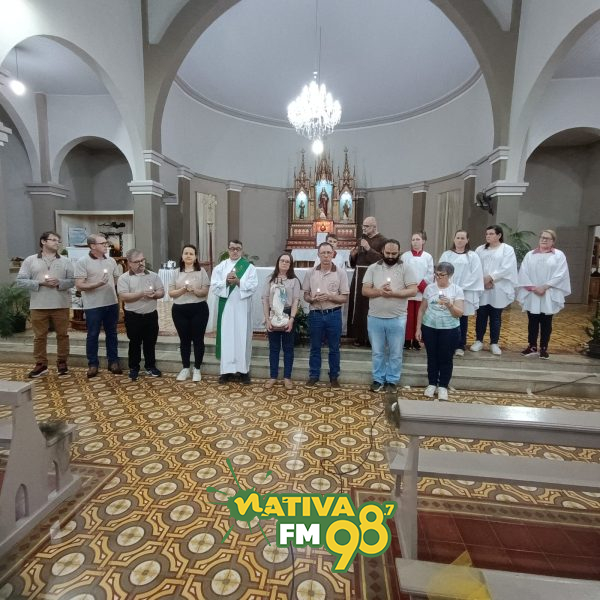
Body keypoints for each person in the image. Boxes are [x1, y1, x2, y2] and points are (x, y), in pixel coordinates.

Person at [362, 239, 418, 393]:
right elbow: (365, 290)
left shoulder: (406, 268)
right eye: (388, 253)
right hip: (375, 317)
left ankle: (392, 380)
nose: (391, 256)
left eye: (394, 253)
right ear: (382, 251)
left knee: (396, 352)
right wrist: (380, 291)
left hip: (397, 317)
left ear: (399, 252)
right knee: (377, 352)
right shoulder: (373, 268)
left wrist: (395, 293)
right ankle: (378, 379)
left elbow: (413, 290)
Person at [16, 231, 75, 378]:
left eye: (58, 241)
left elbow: (73, 281)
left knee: (63, 335)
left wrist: (59, 282)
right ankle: (41, 364)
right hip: (38, 305)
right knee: (39, 336)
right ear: (43, 241)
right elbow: (20, 281)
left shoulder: (66, 261)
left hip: (60, 304)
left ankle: (62, 362)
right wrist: (40, 283)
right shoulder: (30, 260)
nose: (57, 243)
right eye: (53, 240)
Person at [517, 229, 571, 359]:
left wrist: (545, 287)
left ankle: (544, 348)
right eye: (542, 237)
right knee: (532, 321)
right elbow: (523, 272)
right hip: (533, 293)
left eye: (547, 238)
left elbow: (561, 274)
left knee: (546, 322)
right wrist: (534, 288)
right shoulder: (530, 255)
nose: (544, 240)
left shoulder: (558, 255)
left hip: (549, 292)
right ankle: (532, 346)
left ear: (553, 241)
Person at [211, 240, 258, 384]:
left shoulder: (249, 267)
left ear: (242, 250)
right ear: (228, 250)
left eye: (238, 248)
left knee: (242, 337)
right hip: (226, 307)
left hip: (242, 307)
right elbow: (214, 286)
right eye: (232, 248)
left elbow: (253, 286)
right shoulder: (220, 267)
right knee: (227, 337)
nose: (235, 251)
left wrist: (238, 282)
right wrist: (225, 282)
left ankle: (243, 371)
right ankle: (226, 371)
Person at [302, 241, 350, 387]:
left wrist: (329, 297)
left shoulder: (340, 273)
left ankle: (334, 376)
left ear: (333, 254)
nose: (326, 256)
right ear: (318, 254)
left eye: (329, 253)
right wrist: (312, 299)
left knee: (334, 347)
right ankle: (313, 375)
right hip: (316, 314)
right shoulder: (310, 272)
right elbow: (306, 295)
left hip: (333, 314)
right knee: (315, 346)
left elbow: (344, 298)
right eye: (323, 253)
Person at [75, 234, 122, 378]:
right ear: (93, 246)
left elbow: (117, 280)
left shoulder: (111, 261)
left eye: (106, 243)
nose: (106, 245)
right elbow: (79, 285)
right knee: (93, 334)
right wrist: (98, 284)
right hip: (93, 305)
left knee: (112, 333)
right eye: (103, 243)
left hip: (111, 302)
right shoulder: (83, 262)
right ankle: (93, 364)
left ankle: (113, 362)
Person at [416, 262, 464, 401]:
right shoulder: (430, 288)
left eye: (442, 275)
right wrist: (418, 328)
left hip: (449, 329)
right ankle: (432, 383)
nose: (438, 277)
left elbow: (459, 313)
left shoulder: (456, 290)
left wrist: (449, 304)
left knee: (446, 358)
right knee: (432, 357)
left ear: (450, 275)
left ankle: (443, 385)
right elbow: (422, 309)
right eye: (436, 274)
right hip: (429, 327)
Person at [117, 249, 164, 380]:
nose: (141, 263)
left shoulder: (153, 276)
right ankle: (134, 367)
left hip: (150, 315)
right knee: (134, 343)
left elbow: (161, 291)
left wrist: (155, 294)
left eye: (142, 260)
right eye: (137, 261)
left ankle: (150, 366)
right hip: (133, 316)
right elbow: (124, 296)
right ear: (129, 263)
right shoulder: (124, 278)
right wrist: (142, 294)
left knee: (150, 342)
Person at [471, 225, 518, 355]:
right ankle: (479, 341)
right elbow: (475, 266)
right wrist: (483, 281)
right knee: (481, 315)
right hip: (482, 286)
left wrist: (491, 278)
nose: (488, 236)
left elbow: (507, 267)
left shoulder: (507, 249)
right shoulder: (480, 249)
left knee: (495, 316)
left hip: (499, 287)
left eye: (491, 234)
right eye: (487, 234)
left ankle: (494, 343)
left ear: (499, 235)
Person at [169, 244, 210, 381]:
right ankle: (185, 368)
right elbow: (171, 293)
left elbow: (204, 292)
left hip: (199, 309)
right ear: (182, 256)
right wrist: (183, 290)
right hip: (179, 310)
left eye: (191, 254)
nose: (188, 256)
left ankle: (197, 368)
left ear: (195, 257)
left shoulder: (201, 272)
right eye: (186, 253)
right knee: (184, 340)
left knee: (198, 339)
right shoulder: (176, 272)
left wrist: (194, 290)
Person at [439, 230, 484, 356]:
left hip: (465, 292)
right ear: (454, 239)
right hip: (448, 290)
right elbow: (441, 271)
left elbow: (476, 274)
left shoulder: (473, 256)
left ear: (467, 240)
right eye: (458, 237)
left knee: (462, 318)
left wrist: (460, 288)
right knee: (447, 317)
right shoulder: (447, 255)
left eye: (462, 238)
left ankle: (460, 345)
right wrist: (450, 286)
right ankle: (447, 344)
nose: (460, 240)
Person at [262, 253, 300, 389]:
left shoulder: (294, 280)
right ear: (278, 262)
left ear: (290, 265)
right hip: (273, 314)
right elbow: (265, 299)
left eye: (287, 262)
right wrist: (267, 319)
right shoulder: (270, 279)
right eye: (282, 261)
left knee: (288, 348)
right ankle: (273, 376)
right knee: (274, 348)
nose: (284, 263)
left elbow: (296, 300)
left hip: (288, 314)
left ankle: (287, 377)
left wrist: (292, 319)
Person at [348, 217, 386, 346]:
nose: (363, 228)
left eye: (366, 226)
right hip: (359, 274)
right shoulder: (361, 240)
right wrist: (353, 256)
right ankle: (358, 336)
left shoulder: (383, 240)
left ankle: (371, 338)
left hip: (373, 276)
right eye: (363, 226)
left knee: (370, 306)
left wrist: (369, 249)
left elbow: (382, 260)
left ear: (374, 227)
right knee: (358, 306)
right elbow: (355, 262)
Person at [401, 231, 434, 350]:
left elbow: (430, 274)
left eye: (418, 239)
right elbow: (402, 272)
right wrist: (410, 287)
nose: (415, 242)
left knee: (420, 316)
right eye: (413, 240)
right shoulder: (405, 256)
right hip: (408, 291)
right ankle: (406, 340)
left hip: (421, 292)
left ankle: (417, 339)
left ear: (423, 241)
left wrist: (419, 287)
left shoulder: (428, 257)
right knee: (408, 316)